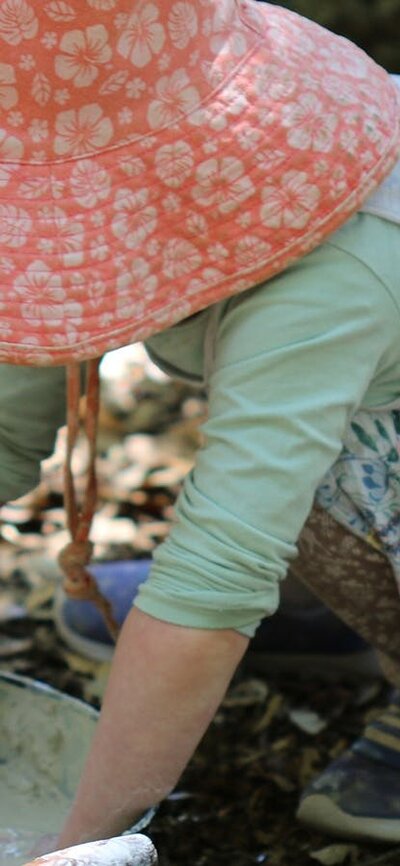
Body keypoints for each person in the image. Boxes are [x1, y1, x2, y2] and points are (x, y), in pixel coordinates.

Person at [1, 0, 400, 849]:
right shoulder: (167, 184)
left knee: (283, 466)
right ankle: (322, 611)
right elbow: (8, 421)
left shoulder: (337, 273)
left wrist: (77, 840)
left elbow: (218, 574)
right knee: (292, 449)